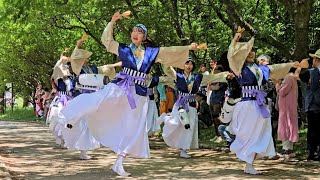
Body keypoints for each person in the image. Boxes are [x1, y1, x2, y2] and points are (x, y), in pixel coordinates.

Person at [61, 12, 201, 177]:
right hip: (121, 86)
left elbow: (169, 51)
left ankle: (119, 162)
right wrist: (112, 21)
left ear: (144, 37)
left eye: (140, 32)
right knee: (99, 100)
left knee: (134, 128)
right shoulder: (124, 49)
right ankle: (71, 114)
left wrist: (188, 48)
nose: (136, 33)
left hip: (139, 94)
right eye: (134, 30)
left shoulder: (151, 53)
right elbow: (108, 41)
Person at [227, 32, 307, 175]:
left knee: (260, 132)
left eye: (252, 51)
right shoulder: (239, 67)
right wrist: (236, 39)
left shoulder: (260, 69)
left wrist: (292, 65)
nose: (251, 53)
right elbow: (231, 56)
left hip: (259, 105)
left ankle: (250, 162)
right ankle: (247, 161)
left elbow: (275, 68)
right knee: (248, 133)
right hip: (246, 105)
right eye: (248, 51)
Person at [160, 58, 229, 158]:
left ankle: (183, 150)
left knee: (188, 127)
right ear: (182, 65)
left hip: (191, 105)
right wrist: (170, 58)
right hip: (180, 104)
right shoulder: (177, 76)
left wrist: (226, 75)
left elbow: (212, 78)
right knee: (176, 124)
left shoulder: (197, 77)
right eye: (187, 63)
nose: (189, 66)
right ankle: (166, 118)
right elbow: (168, 70)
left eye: (191, 64)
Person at [275, 67, 301, 157]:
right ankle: (289, 149)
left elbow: (282, 92)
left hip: (286, 106)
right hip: (290, 105)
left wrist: (277, 85)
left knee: (285, 126)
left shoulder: (288, 77)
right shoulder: (292, 78)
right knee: (290, 125)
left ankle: (286, 149)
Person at [303, 49, 320, 161]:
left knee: (313, 130)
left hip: (314, 105)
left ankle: (312, 152)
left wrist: (301, 67)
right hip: (315, 105)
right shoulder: (312, 72)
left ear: (316, 59)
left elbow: (299, 76)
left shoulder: (312, 72)